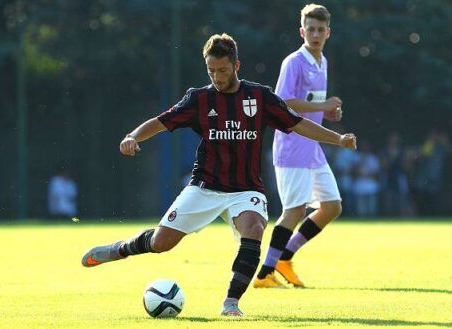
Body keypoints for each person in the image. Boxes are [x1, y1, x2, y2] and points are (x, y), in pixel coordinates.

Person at [81, 33, 356, 316]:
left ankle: (231, 304)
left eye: (222, 70)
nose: (217, 76)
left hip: (246, 189)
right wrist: (132, 136)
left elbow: (297, 124)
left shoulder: (260, 97)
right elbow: (161, 122)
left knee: (254, 229)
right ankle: (119, 249)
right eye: (211, 70)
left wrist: (337, 139)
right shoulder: (199, 99)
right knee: (160, 243)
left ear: (237, 66)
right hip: (205, 186)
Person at [254, 4, 346, 288]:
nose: (315, 34)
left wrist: (328, 112)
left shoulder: (322, 61)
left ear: (328, 32)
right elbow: (282, 102)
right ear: (302, 31)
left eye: (320, 29)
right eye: (311, 29)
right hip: (292, 147)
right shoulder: (294, 62)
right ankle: (264, 273)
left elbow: (308, 104)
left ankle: (284, 257)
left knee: (331, 206)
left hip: (313, 149)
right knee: (294, 211)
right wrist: (322, 104)